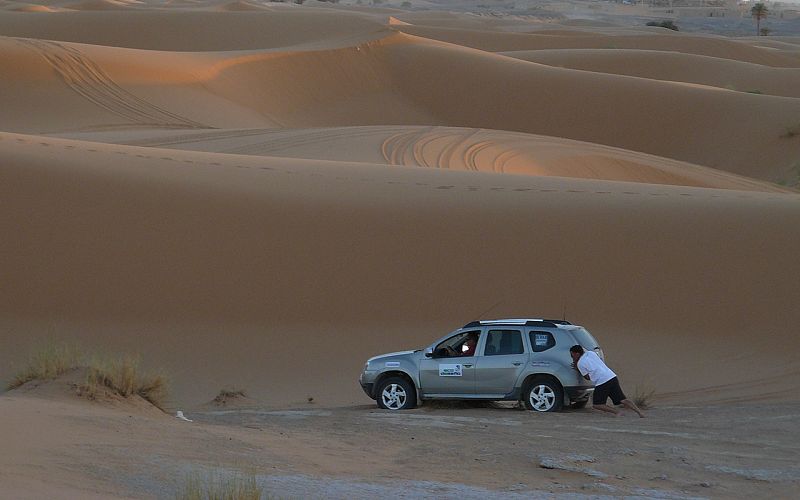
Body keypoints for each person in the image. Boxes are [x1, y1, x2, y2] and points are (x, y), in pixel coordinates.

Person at [569, 345, 645, 418]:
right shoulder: (590, 353)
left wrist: (577, 368)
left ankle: (617, 412)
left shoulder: (580, 364)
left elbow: (587, 377)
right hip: (612, 376)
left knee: (597, 404)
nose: (572, 357)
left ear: (577, 354)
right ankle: (640, 413)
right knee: (623, 399)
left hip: (602, 381)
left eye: (572, 355)